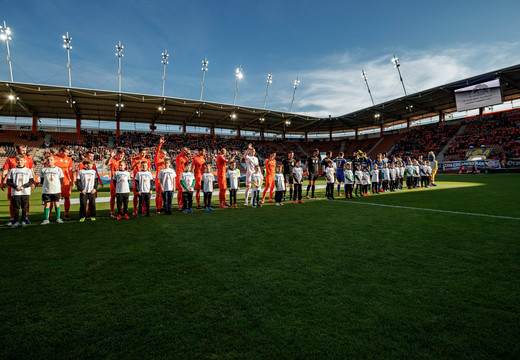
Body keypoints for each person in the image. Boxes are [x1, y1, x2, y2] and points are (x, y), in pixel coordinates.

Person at [1, 145, 35, 226]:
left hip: (25, 186)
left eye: (25, 150)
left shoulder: (29, 159)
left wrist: (33, 182)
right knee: (12, 202)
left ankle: (25, 218)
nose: (24, 152)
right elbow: (5, 171)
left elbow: (31, 170)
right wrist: (2, 182)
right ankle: (13, 219)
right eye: (22, 150)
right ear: (17, 150)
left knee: (26, 203)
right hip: (14, 185)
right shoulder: (10, 159)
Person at [39, 155, 64, 225]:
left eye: (51, 160)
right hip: (46, 190)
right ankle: (46, 219)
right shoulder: (44, 170)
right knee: (47, 205)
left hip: (56, 190)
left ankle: (58, 218)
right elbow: (42, 180)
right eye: (48, 160)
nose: (49, 161)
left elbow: (61, 179)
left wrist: (58, 186)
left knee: (57, 204)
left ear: (54, 161)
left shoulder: (58, 169)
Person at [52, 146, 74, 221]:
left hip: (65, 181)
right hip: (55, 181)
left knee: (67, 197)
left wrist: (72, 181)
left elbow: (70, 171)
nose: (67, 154)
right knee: (52, 198)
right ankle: (49, 216)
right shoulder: (53, 158)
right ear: (61, 151)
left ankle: (66, 214)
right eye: (66, 153)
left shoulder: (69, 159)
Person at [131, 148, 151, 215]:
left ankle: (144, 209)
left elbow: (149, 170)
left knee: (145, 195)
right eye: (142, 153)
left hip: (145, 181)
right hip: (137, 180)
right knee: (136, 195)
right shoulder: (135, 159)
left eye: (144, 153)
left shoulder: (147, 160)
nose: (143, 154)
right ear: (139, 153)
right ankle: (135, 210)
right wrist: (136, 163)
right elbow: (131, 168)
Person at [105, 149, 125, 217]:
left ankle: (119, 210)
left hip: (121, 182)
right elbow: (106, 163)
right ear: (117, 154)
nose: (121, 156)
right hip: (114, 182)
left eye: (122, 154)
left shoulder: (123, 162)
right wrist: (110, 156)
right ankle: (112, 211)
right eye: (120, 154)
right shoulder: (113, 160)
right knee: (113, 197)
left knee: (121, 197)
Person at [154, 137, 168, 213]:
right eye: (163, 154)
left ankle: (161, 207)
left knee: (163, 193)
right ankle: (157, 208)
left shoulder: (164, 160)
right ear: (160, 153)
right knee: (158, 193)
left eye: (165, 154)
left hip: (164, 178)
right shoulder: (157, 159)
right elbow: (157, 151)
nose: (164, 155)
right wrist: (160, 144)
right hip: (158, 178)